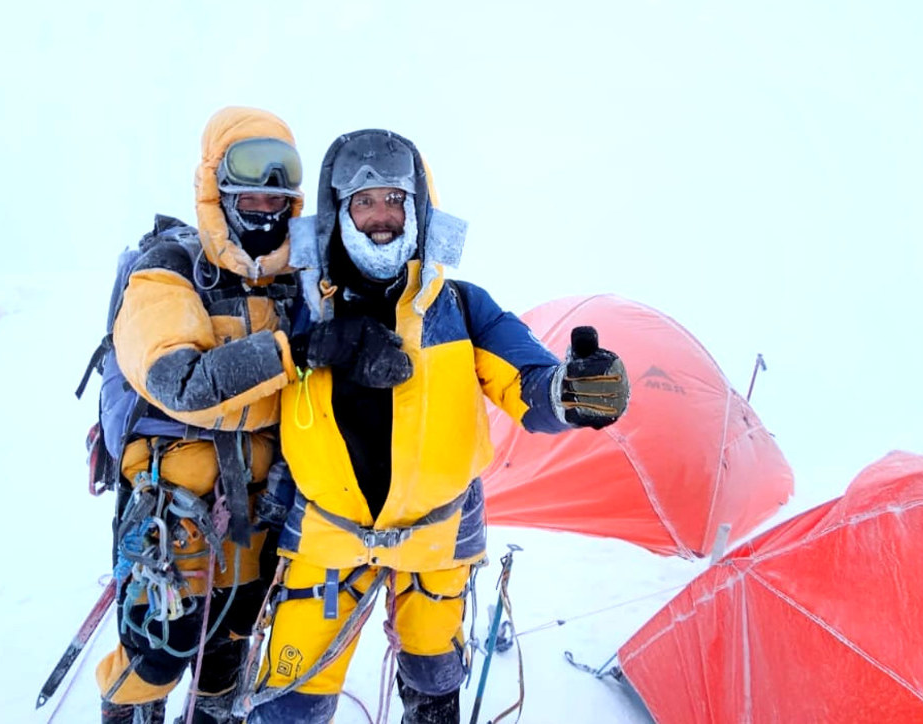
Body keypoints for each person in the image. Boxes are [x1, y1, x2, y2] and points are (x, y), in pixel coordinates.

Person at [243, 129, 630, 723]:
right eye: (364, 202)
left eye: (393, 201)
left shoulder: (463, 306)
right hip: (325, 536)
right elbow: (240, 380)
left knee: (433, 693)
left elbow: (528, 385)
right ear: (340, 212)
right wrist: (310, 343)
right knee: (290, 705)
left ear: (417, 209)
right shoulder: (299, 306)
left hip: (437, 540)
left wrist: (573, 393)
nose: (380, 218)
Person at [94, 106, 306, 724]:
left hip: (261, 515)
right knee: (157, 655)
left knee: (230, 652)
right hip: (172, 519)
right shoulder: (169, 268)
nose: (266, 196)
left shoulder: (298, 284)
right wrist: (292, 356)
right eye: (249, 176)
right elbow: (178, 381)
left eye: (281, 180)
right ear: (216, 181)